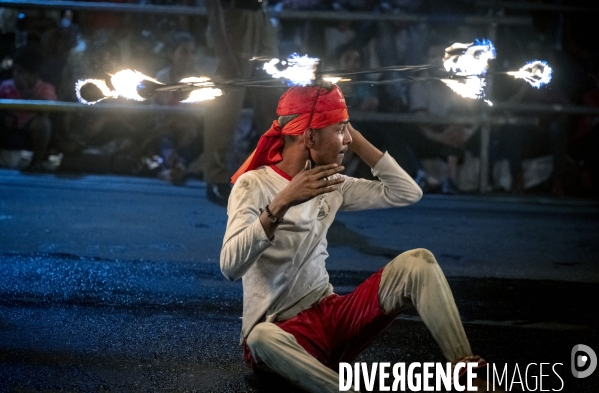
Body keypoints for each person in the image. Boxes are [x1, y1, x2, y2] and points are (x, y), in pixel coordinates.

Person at [220, 83, 494, 392]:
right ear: (310, 136)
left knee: (418, 262)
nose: (347, 139)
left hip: (330, 318)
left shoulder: (330, 182)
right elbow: (230, 267)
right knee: (260, 338)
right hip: (284, 338)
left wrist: (353, 136)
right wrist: (282, 203)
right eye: (340, 130)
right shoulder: (253, 185)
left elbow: (406, 192)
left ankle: (468, 374)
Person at [203, 0, 282, 205]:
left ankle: (272, 174)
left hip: (260, 14)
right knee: (226, 103)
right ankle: (216, 178)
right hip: (235, 15)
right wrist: (223, 48)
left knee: (271, 99)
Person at [0, 43, 56, 171]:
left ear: (34, 74)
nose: (16, 75)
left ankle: (36, 163)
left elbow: (47, 110)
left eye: (21, 72)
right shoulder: (5, 86)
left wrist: (26, 93)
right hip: (7, 130)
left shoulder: (45, 88)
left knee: (43, 124)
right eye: (15, 71)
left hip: (28, 132)